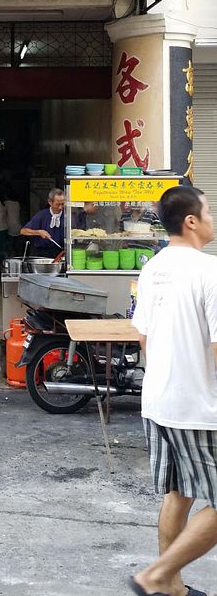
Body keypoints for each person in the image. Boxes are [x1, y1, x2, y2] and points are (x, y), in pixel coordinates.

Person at [129, 185, 217, 596]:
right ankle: (157, 576)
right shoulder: (208, 271)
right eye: (209, 211)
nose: (213, 218)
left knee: (178, 492)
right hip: (198, 407)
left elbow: (143, 339)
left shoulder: (152, 268)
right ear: (191, 221)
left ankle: (171, 590)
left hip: (157, 402)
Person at [20, 188, 65, 257]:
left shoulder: (67, 216)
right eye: (57, 204)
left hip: (61, 253)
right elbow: (23, 231)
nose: (60, 207)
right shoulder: (42, 215)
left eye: (62, 204)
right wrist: (39, 232)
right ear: (50, 202)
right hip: (41, 254)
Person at [4, 188, 22, 256]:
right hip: (18, 226)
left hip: (10, 226)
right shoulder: (17, 203)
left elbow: (3, 213)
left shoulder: (6, 203)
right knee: (17, 245)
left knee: (10, 245)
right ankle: (18, 257)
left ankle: (10, 258)